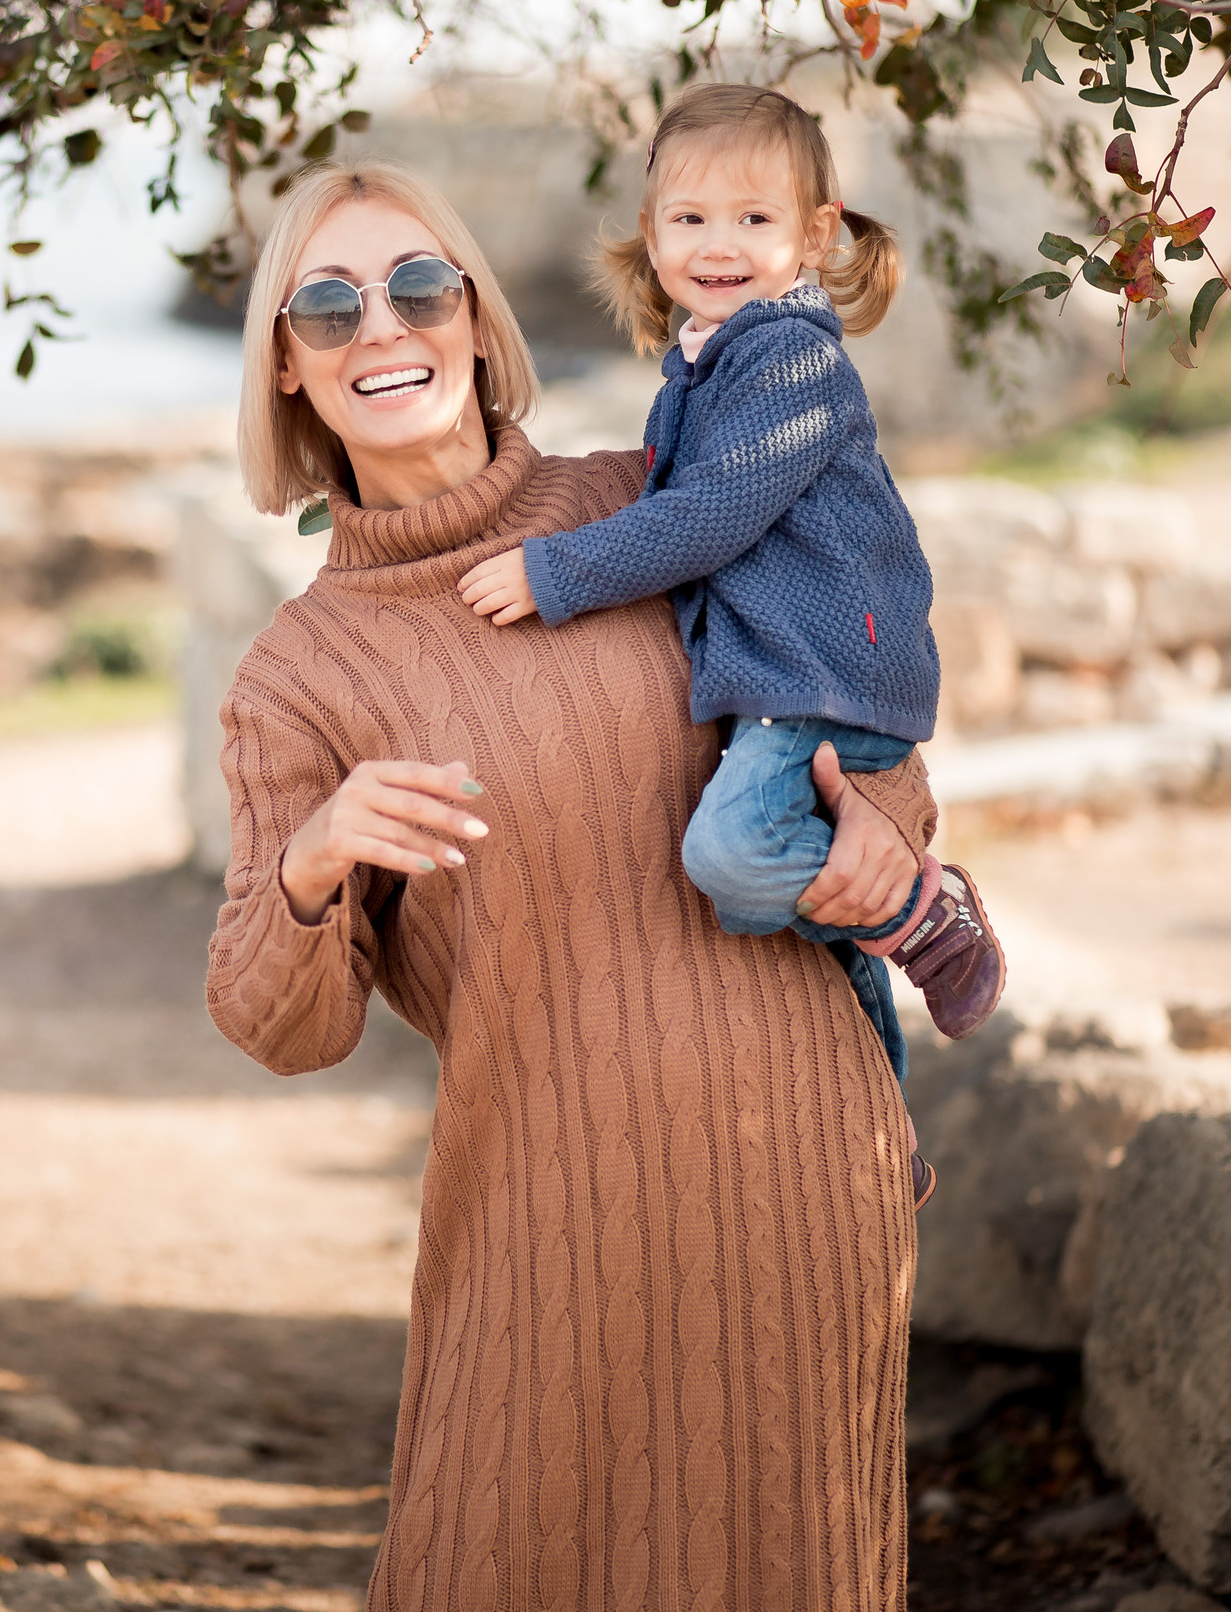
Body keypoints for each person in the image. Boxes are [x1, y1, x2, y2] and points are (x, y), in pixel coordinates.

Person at [204, 156, 930, 1611]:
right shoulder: (302, 674)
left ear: (475, 318)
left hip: (799, 1169)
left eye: (418, 287)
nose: (383, 329)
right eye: (328, 308)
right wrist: (316, 852)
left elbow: (852, 700)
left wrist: (890, 839)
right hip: (543, 1230)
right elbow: (276, 1020)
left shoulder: (650, 507)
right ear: (286, 368)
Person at [455, 84, 1005, 1081]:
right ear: (652, 232)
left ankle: (929, 909)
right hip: (791, 674)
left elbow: (708, 515)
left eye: (754, 219)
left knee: (733, 864)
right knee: (811, 906)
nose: (720, 243)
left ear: (813, 232)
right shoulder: (705, 364)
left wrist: (555, 570)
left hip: (823, 673)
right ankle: (877, 1091)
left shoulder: (789, 358)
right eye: (691, 218)